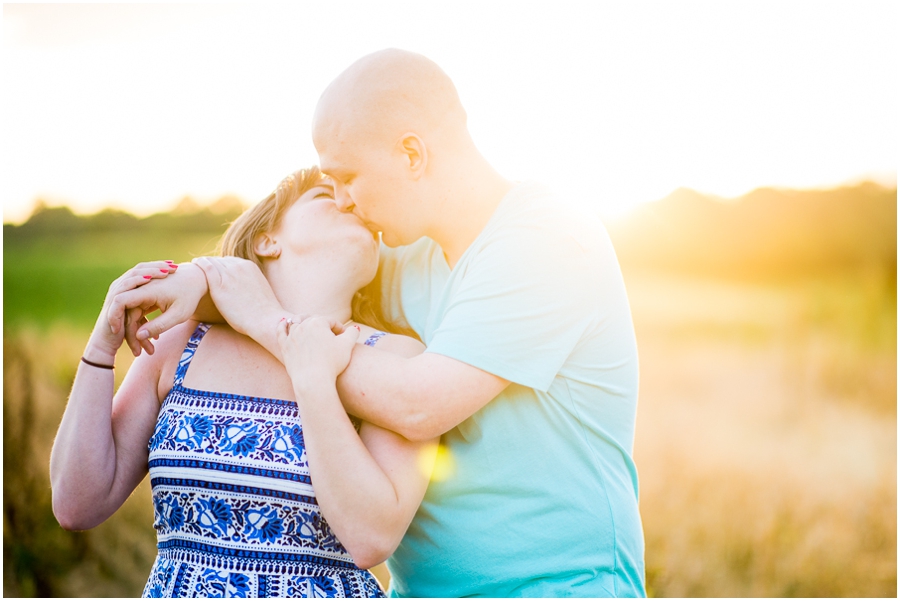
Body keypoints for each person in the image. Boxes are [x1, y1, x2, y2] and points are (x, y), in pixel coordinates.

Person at [112, 49, 646, 597]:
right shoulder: (402, 257)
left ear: (412, 155)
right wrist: (201, 279)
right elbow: (288, 285)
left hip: (557, 588)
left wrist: (275, 327)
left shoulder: (548, 239)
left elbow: (421, 403)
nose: (342, 201)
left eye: (347, 178)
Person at [50, 166, 437, 598]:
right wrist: (101, 349)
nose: (351, 203)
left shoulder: (395, 357)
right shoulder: (182, 341)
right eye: (326, 196)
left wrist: (311, 377)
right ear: (266, 239)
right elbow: (76, 504)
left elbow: (372, 539)